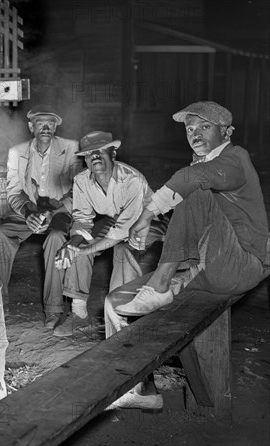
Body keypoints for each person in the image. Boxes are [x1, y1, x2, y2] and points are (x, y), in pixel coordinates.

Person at [105, 100, 270, 412]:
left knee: (195, 184)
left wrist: (146, 215)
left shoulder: (236, 158)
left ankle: (161, 285)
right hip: (213, 268)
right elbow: (188, 223)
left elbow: (192, 183)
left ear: (227, 131)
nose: (195, 134)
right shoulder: (205, 166)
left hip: (243, 265)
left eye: (204, 127)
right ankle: (136, 388)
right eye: (190, 129)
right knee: (114, 302)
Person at [53, 131, 166, 337]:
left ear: (113, 154)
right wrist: (75, 243)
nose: (94, 156)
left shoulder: (132, 179)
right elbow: (82, 221)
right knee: (76, 245)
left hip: (148, 223)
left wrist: (87, 249)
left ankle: (122, 318)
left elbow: (124, 231)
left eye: (100, 152)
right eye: (89, 154)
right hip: (116, 222)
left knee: (123, 249)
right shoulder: (81, 180)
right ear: (85, 160)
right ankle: (78, 314)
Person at [0, 104, 82, 325]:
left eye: (50, 123)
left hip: (60, 210)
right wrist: (27, 213)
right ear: (31, 126)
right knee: (0, 234)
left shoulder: (71, 148)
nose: (46, 127)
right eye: (40, 123)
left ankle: (53, 308)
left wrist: (55, 212)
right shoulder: (17, 152)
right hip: (31, 209)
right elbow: (14, 190)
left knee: (55, 238)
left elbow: (78, 190)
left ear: (55, 127)